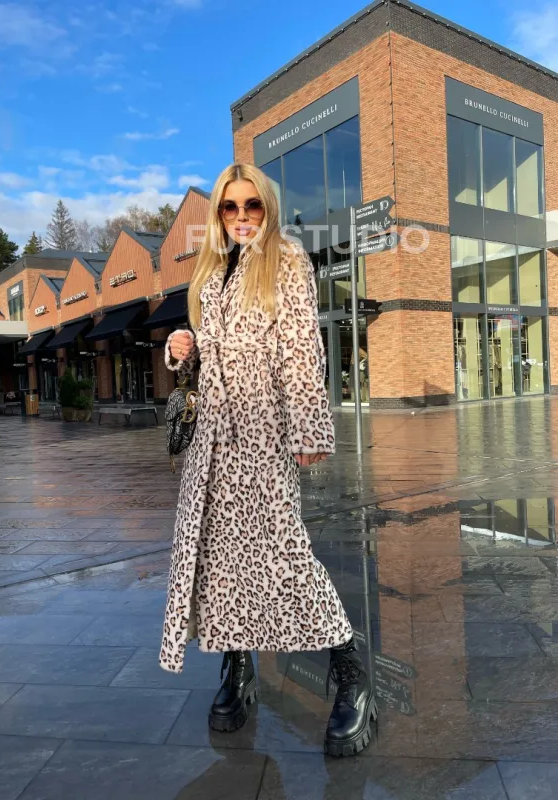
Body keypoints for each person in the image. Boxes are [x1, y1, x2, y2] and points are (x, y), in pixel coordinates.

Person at [162, 163, 376, 757]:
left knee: (285, 553)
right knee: (220, 558)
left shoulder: (286, 259)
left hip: (262, 432)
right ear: (218, 213)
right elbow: (210, 353)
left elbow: (302, 347)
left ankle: (352, 672)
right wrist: (183, 348)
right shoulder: (212, 268)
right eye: (230, 207)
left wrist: (309, 425)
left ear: (268, 207)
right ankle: (238, 668)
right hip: (212, 441)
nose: (242, 217)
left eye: (252, 205)